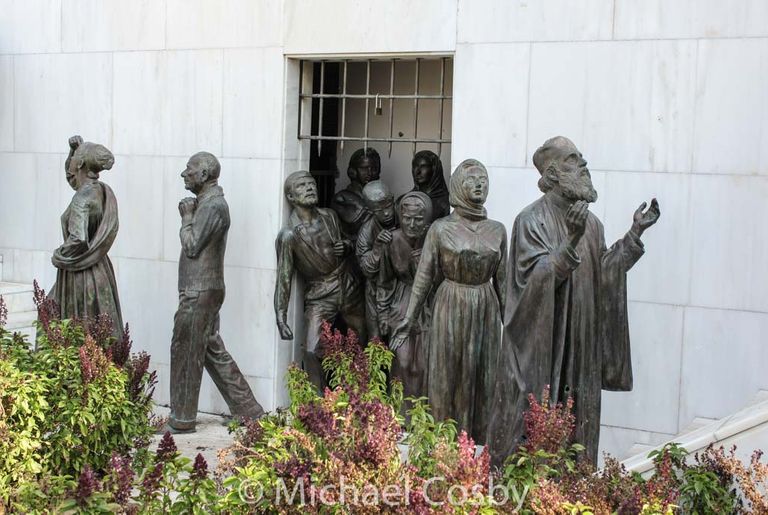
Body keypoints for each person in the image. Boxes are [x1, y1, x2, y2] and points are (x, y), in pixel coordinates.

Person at [487, 136, 660, 466]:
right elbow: (529, 286)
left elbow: (605, 272)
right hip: (547, 347)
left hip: (580, 346)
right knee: (539, 435)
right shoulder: (530, 221)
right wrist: (570, 241)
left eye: (581, 158)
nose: (583, 165)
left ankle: (577, 489)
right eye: (572, 160)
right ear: (552, 175)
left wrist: (635, 235)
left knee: (578, 436)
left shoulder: (592, 224)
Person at [392, 159, 507, 444]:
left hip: (485, 305)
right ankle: (444, 440)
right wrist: (409, 319)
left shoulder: (498, 230)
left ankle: (477, 442)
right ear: (457, 185)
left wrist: (513, 325)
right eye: (471, 179)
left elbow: (504, 284)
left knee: (484, 374)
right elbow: (424, 276)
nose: (479, 184)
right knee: (446, 373)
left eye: (483, 178)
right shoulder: (441, 229)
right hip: (451, 302)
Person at [169, 151, 264, 433]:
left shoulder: (212, 207)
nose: (183, 173)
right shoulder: (208, 203)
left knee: (185, 350)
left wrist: (186, 217)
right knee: (211, 349)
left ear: (204, 175)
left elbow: (192, 245)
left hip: (200, 290)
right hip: (202, 288)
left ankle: (182, 419)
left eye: (189, 169)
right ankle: (248, 410)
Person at [275, 171, 366, 390]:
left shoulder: (330, 216)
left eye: (311, 183)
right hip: (320, 293)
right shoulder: (289, 235)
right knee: (311, 348)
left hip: (348, 285)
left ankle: (361, 394)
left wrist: (347, 246)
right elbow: (284, 276)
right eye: (302, 186)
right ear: (291, 197)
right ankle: (319, 399)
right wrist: (281, 315)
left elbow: (350, 242)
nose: (309, 188)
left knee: (363, 340)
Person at [50, 135, 123, 339]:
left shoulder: (81, 198)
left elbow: (79, 239)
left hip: (80, 276)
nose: (70, 164)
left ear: (80, 163)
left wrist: (58, 255)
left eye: (74, 159)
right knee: (98, 336)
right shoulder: (99, 190)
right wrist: (72, 152)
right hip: (99, 270)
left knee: (71, 330)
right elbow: (73, 177)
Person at [379, 191, 434, 404]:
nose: (412, 224)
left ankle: (423, 414)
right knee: (401, 360)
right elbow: (384, 281)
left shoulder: (434, 237)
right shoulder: (391, 240)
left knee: (422, 363)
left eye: (418, 219)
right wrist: (383, 313)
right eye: (407, 218)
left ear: (427, 219)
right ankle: (400, 414)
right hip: (401, 301)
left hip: (428, 304)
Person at [356, 181, 398, 339]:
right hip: (376, 290)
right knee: (376, 339)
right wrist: (377, 249)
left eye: (388, 205)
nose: (386, 213)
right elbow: (366, 269)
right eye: (379, 210)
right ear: (370, 210)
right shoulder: (366, 232)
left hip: (402, 288)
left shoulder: (406, 218)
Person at [331, 147, 382, 238]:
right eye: (364, 168)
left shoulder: (381, 196)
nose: (369, 173)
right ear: (353, 171)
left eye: (374, 168)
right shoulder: (341, 198)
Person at [397, 150, 450, 220]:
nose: (418, 171)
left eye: (423, 166)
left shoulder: (446, 203)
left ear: (434, 169)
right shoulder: (403, 201)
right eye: (415, 166)